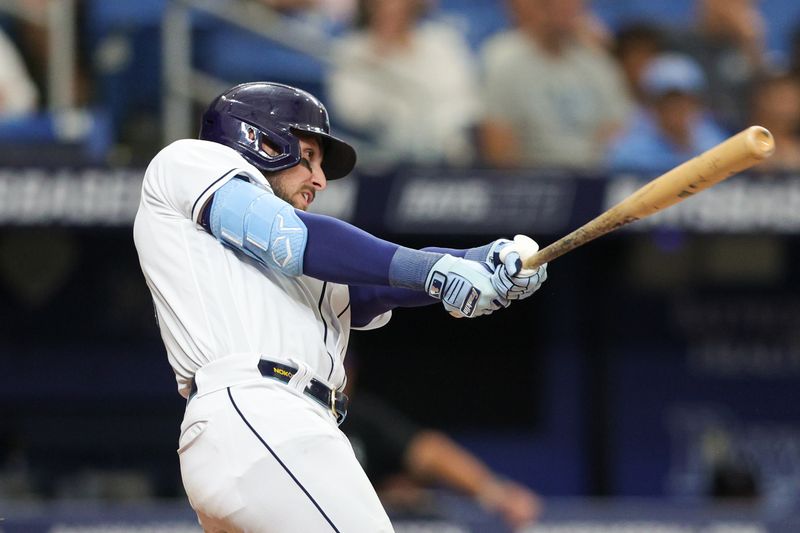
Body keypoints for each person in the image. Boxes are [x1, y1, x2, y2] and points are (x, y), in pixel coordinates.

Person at [133, 81, 548, 532]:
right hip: (260, 413)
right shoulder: (191, 162)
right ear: (259, 139)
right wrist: (434, 269)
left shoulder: (288, 264)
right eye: (307, 156)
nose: (320, 179)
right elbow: (290, 239)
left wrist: (480, 260)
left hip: (262, 431)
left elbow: (368, 291)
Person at [478, 0, 632, 170]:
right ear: (539, 7)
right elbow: (499, 142)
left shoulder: (596, 63)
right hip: (532, 177)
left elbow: (617, 132)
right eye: (558, 6)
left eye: (573, 6)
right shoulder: (505, 59)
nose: (566, 12)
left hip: (592, 177)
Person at [325, 0, 482, 166]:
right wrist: (379, 57)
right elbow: (351, 111)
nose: (391, 9)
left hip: (447, 150)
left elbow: (464, 98)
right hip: (380, 155)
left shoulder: (441, 42)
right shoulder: (352, 49)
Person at [605, 53, 729, 173]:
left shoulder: (714, 142)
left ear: (696, 103)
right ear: (652, 106)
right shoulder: (629, 150)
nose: (676, 110)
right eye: (667, 103)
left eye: (683, 101)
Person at [665, 0, 768, 132]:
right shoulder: (677, 42)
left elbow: (763, 101)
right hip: (697, 132)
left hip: (741, 132)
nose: (741, 11)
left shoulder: (741, 45)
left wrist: (752, 44)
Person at [746, 72, 800, 172]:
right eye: (783, 99)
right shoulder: (740, 145)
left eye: (794, 100)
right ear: (763, 100)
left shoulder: (796, 149)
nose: (790, 109)